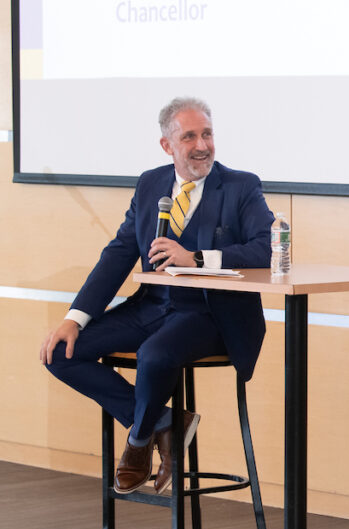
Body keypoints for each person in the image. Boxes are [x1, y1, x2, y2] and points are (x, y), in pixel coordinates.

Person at [40, 97, 273, 496]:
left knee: (155, 354)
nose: (202, 145)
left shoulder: (240, 186)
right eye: (189, 137)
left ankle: (136, 443)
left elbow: (266, 247)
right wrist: (75, 317)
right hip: (152, 305)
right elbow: (118, 253)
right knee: (62, 353)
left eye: (207, 134)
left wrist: (197, 257)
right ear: (167, 145)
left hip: (209, 314)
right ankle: (164, 422)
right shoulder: (151, 184)